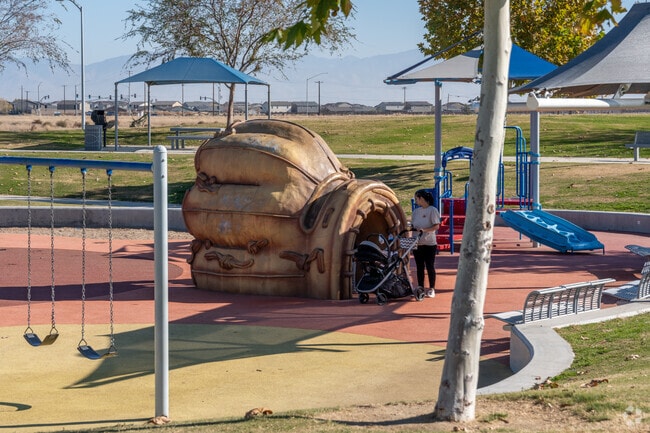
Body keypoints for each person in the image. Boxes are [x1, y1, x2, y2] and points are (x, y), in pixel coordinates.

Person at [411, 189, 441, 298]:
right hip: (417, 243)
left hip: (429, 243)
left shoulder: (432, 210)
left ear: (421, 198)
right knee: (419, 267)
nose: (416, 200)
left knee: (429, 266)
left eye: (417, 198)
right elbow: (414, 225)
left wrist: (424, 230)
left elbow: (436, 225)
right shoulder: (416, 212)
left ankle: (432, 288)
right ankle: (420, 288)